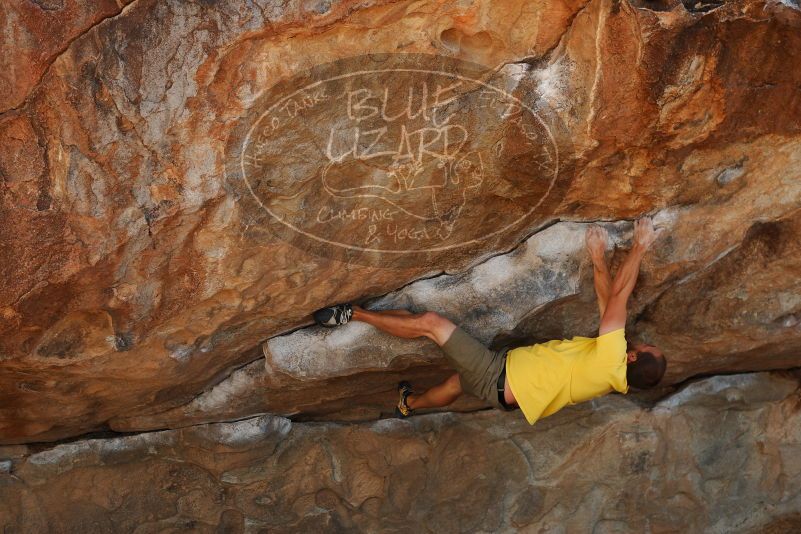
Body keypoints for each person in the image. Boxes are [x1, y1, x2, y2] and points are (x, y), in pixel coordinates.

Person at [313, 217, 667, 423]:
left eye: (648, 346)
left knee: (432, 324)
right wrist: (598, 259)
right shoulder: (612, 369)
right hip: (502, 393)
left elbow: (619, 297)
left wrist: (639, 246)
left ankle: (353, 314)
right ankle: (409, 404)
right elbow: (610, 309)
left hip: (494, 374)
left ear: (635, 357)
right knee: (454, 385)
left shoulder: (611, 359)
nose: (642, 341)